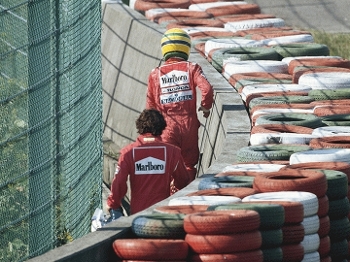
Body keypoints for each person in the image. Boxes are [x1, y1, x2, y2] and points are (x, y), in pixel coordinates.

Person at [146, 28, 214, 181]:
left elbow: (150, 109)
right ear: (186, 48)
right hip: (189, 125)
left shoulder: (155, 74)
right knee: (189, 164)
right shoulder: (192, 67)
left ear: (165, 49)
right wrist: (205, 107)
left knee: (167, 165)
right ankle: (184, 196)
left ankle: (168, 199)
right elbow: (207, 89)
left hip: (166, 127)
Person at [106, 109, 191, 216]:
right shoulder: (173, 152)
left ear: (139, 126)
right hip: (163, 212)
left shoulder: (128, 153)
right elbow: (183, 180)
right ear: (162, 127)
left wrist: (113, 203)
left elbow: (119, 182)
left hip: (137, 214)